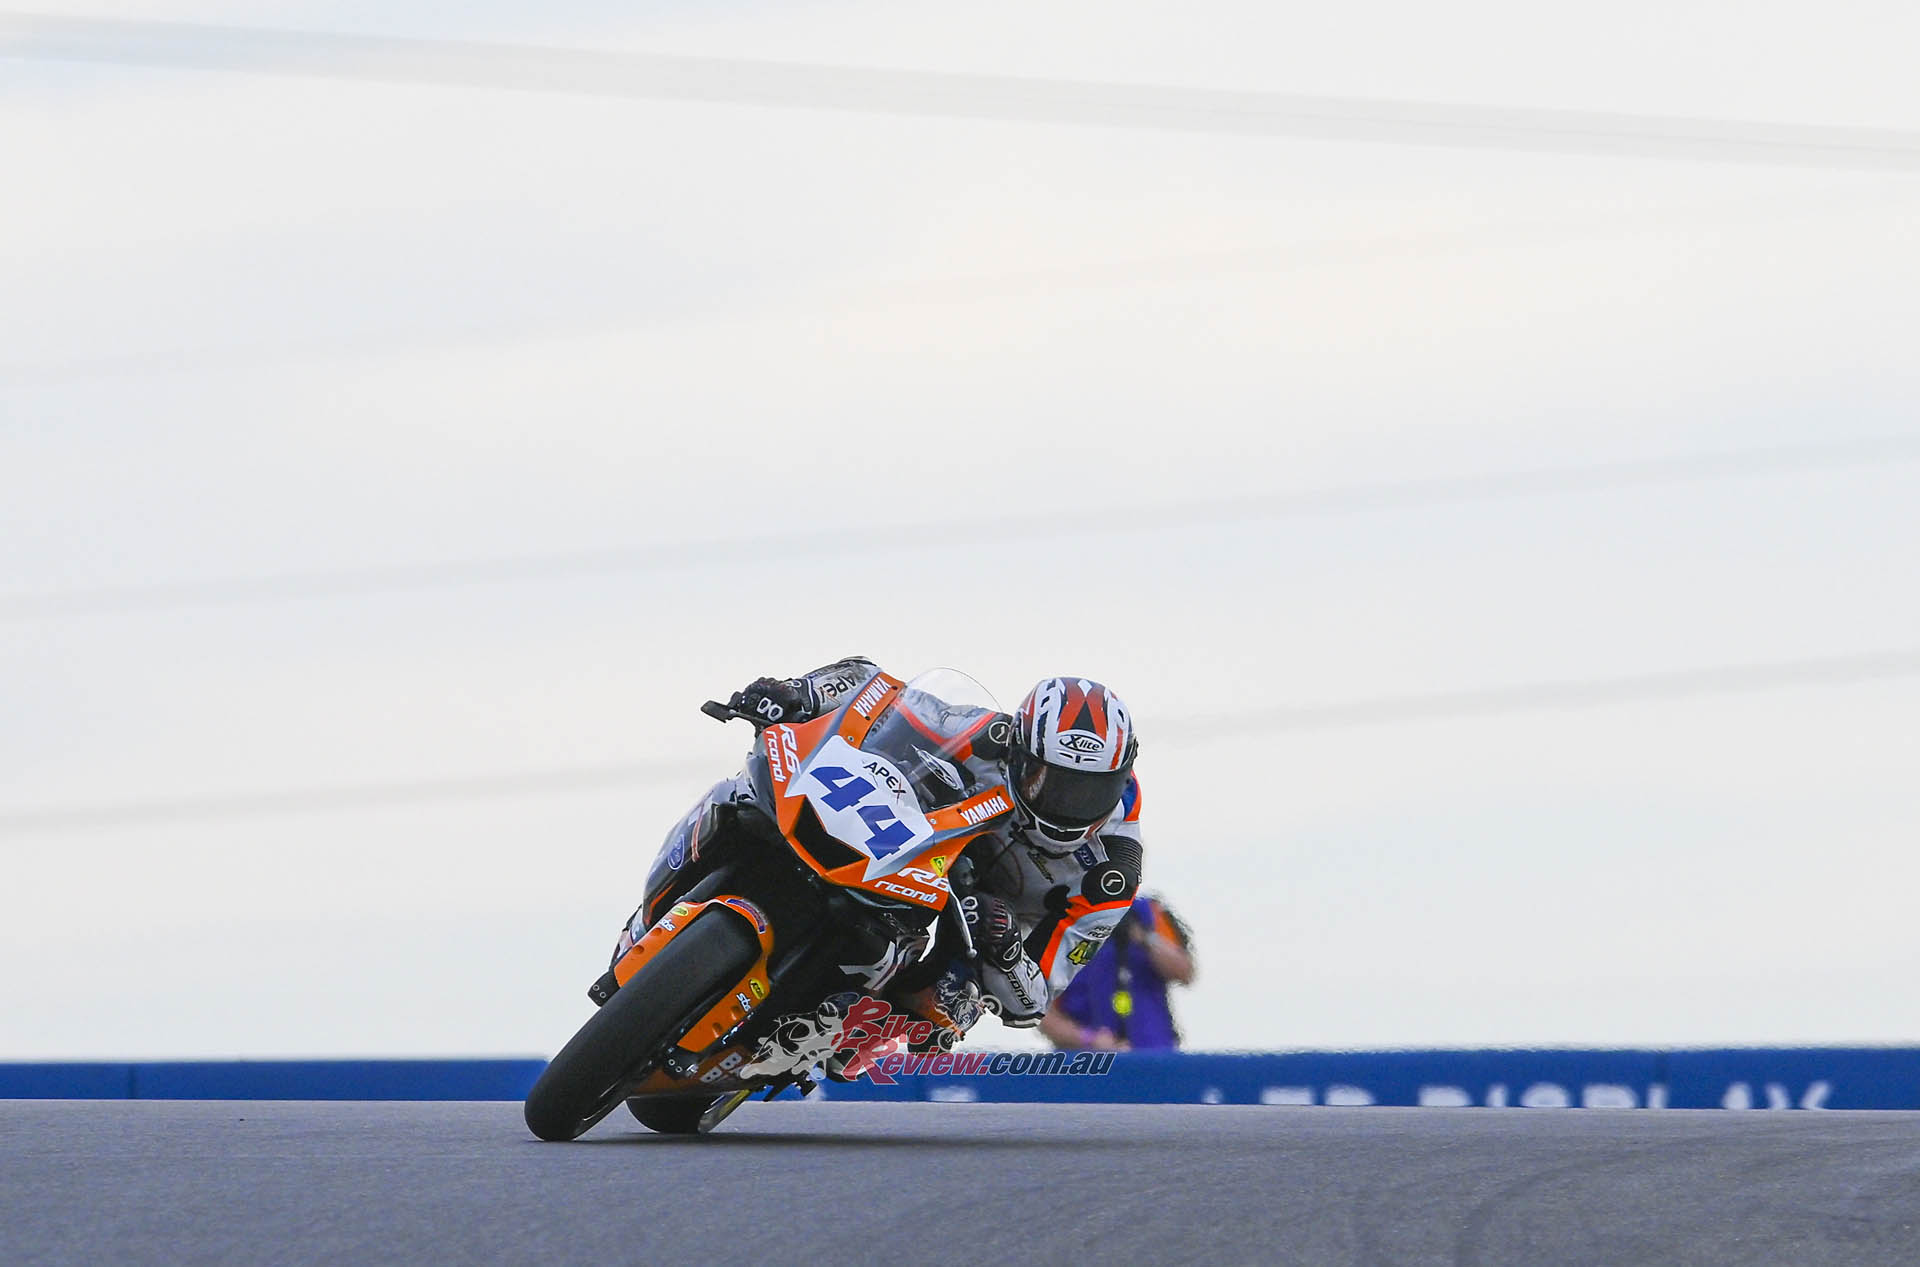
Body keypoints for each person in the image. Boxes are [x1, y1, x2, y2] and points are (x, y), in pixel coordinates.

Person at [721, 656, 1145, 1033]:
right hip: (903, 843)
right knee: (744, 796)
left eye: (1089, 793)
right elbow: (878, 689)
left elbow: (1034, 1003)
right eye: (1047, 781)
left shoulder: (1110, 877)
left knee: (945, 1003)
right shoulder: (987, 737)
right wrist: (800, 692)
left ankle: (823, 1039)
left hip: (977, 922)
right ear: (1018, 751)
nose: (1067, 806)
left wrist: (1008, 950)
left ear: (1121, 779)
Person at [1039, 893, 1195, 1051]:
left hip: (1152, 1053)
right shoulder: (1058, 924)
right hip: (1087, 1059)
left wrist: (1145, 937)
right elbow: (1042, 1013)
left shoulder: (1148, 911)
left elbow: (1184, 972)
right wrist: (1088, 1039)